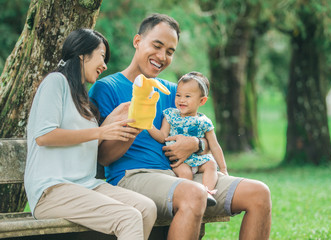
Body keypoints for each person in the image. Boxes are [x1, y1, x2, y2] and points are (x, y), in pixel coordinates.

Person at [89, 14, 271, 240]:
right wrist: (133, 125)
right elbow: (104, 158)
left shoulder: (176, 91)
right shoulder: (107, 88)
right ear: (137, 41)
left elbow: (205, 137)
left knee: (259, 194)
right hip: (132, 176)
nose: (162, 56)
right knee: (194, 194)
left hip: (181, 175)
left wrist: (195, 144)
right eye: (157, 46)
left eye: (170, 51)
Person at [24, 28, 157, 240]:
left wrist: (126, 117)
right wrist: (101, 130)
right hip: (51, 191)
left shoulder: (83, 101)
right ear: (82, 54)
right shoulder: (56, 82)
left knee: (147, 208)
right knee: (128, 217)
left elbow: (87, 140)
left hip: (87, 185)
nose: (104, 65)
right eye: (102, 56)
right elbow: (44, 136)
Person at [147, 71, 228, 206]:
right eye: (178, 95)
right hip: (179, 160)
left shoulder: (204, 121)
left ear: (202, 101)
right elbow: (162, 137)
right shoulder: (171, 115)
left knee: (211, 165)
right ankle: (191, 197)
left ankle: (208, 193)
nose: (181, 100)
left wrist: (223, 169)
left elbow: (214, 146)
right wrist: (148, 124)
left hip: (198, 159)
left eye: (187, 96)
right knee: (185, 173)